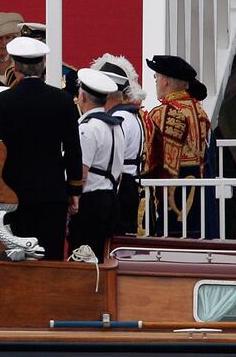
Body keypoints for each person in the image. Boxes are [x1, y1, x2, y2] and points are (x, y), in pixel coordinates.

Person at [0, 37, 83, 261]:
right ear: (42, 67)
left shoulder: (2, 102)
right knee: (50, 256)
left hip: (13, 195)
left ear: (15, 68)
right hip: (53, 193)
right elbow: (73, 149)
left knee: (17, 257)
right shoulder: (62, 101)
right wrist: (74, 191)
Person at [145, 55, 210, 236]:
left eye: (156, 77)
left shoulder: (161, 113)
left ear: (165, 81)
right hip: (197, 185)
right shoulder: (198, 110)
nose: (156, 82)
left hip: (171, 191)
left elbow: (150, 158)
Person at [67, 69, 125, 260]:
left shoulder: (87, 128)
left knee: (83, 260)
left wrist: (72, 202)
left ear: (82, 96)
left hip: (90, 203)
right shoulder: (116, 126)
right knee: (104, 257)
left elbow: (81, 173)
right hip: (111, 198)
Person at [91, 54, 149, 235]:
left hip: (120, 187)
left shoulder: (119, 118)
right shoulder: (130, 115)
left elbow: (108, 155)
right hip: (128, 185)